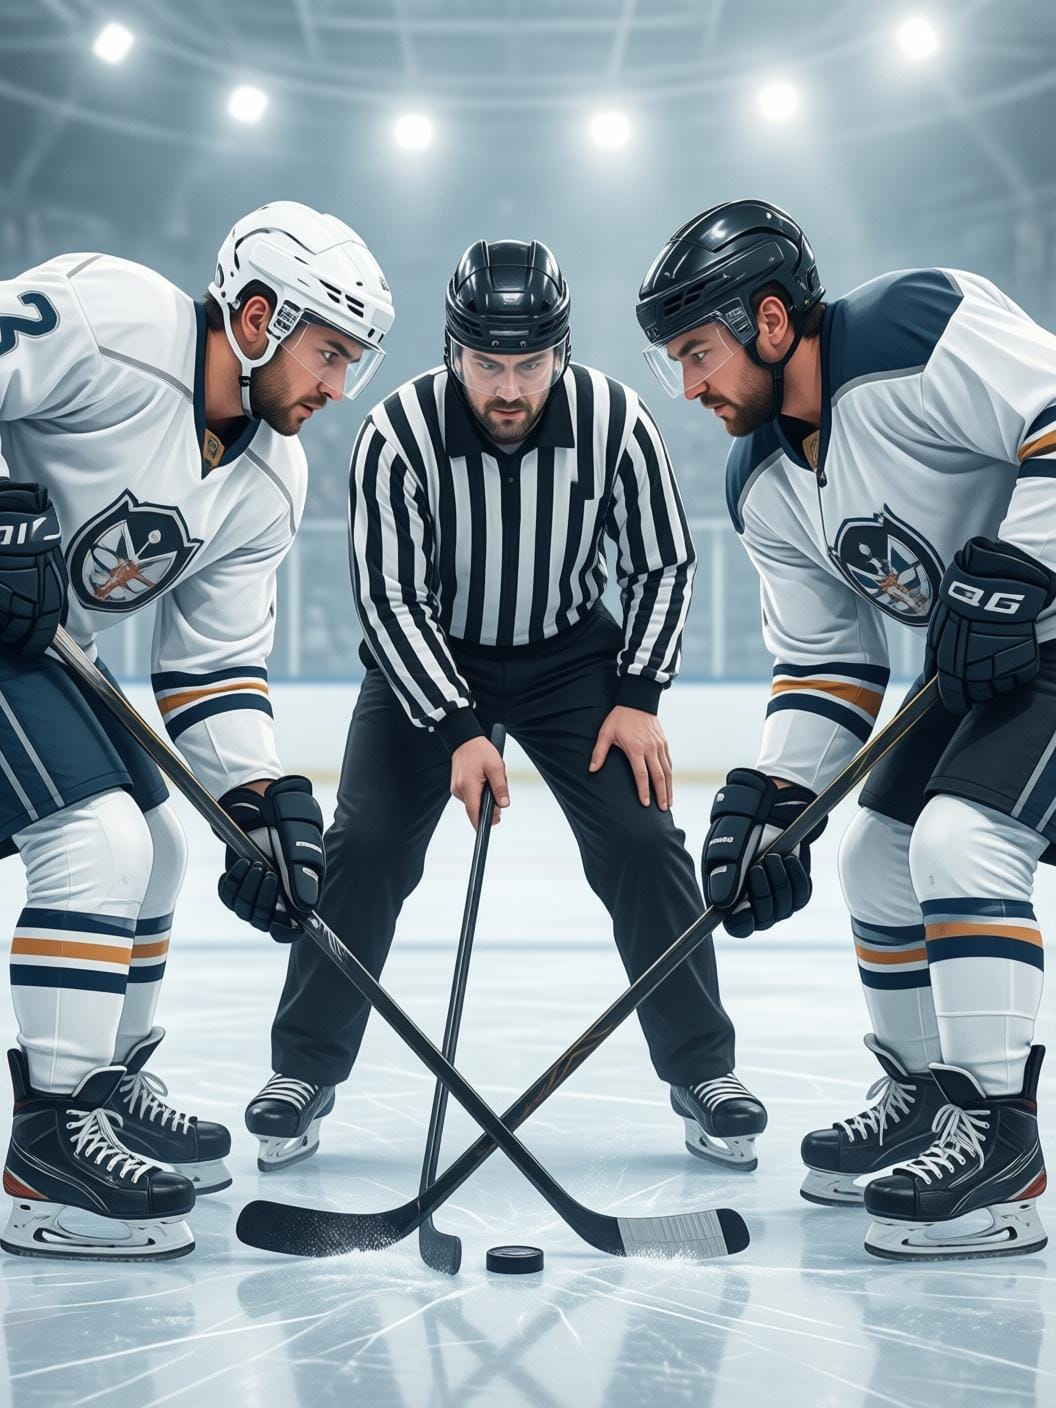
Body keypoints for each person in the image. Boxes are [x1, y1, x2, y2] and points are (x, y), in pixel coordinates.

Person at [247, 238, 765, 1175]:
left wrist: (639, 696)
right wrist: (454, 729)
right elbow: (389, 598)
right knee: (359, 849)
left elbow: (663, 564)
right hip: (431, 654)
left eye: (530, 363)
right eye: (489, 363)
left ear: (561, 352)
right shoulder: (395, 432)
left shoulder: (617, 420)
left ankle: (704, 1072)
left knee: (647, 843)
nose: (510, 387)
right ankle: (304, 1071)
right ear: (455, 353)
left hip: (574, 662)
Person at [636, 197, 1054, 1261]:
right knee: (875, 855)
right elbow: (830, 660)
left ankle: (1005, 1145)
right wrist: (778, 799)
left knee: (965, 839)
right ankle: (925, 1094)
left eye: (698, 352)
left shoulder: (913, 327)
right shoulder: (762, 478)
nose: (688, 388)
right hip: (986, 667)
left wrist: (1023, 565)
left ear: (772, 322)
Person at [0, 201, 394, 1259]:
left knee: (166, 845)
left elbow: (211, 667)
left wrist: (260, 805)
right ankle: (45, 1146)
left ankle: (105, 1088)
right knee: (98, 843)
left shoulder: (270, 477)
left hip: (29, 644)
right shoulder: (106, 315)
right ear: (257, 315)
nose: (336, 387)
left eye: (352, 362)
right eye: (327, 353)